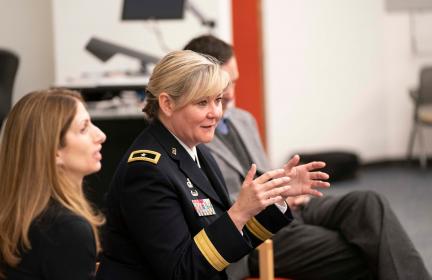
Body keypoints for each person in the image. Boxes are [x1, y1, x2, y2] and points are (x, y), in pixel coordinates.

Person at [184, 34, 432, 280]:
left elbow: (265, 172)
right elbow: (209, 210)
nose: (230, 94)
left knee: (369, 203)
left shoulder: (243, 119)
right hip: (255, 233)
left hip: (289, 208)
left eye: (234, 83)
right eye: (224, 84)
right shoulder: (194, 133)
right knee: (372, 248)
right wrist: (270, 200)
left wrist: (286, 187)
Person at [96, 50, 330, 280]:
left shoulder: (199, 153)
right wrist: (239, 211)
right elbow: (181, 270)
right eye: (202, 103)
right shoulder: (147, 170)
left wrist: (275, 195)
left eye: (217, 100)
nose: (215, 113)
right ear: (167, 104)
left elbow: (227, 240)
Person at [0, 89, 106, 279]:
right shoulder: (67, 230)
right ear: (54, 151)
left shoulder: (19, 217)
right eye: (84, 129)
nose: (100, 135)